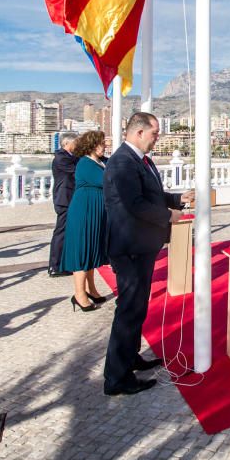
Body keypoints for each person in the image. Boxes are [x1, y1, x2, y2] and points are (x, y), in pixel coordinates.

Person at [103, 113, 194, 396]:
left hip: (141, 246)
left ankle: (131, 358)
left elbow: (152, 194)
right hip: (128, 247)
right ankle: (116, 378)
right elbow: (136, 204)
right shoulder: (122, 162)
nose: (157, 139)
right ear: (139, 132)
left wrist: (179, 199)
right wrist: (170, 216)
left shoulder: (141, 160)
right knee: (129, 309)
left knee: (138, 306)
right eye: (154, 134)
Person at [61, 131, 109, 312]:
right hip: (85, 210)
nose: (104, 146)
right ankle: (79, 294)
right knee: (83, 250)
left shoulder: (102, 161)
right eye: (101, 143)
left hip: (96, 210)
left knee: (91, 250)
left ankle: (91, 289)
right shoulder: (85, 163)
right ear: (91, 145)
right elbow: (106, 181)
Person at [48, 131, 79, 277]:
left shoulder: (71, 157)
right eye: (76, 142)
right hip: (64, 199)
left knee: (67, 232)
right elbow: (77, 171)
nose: (78, 145)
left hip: (70, 198)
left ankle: (63, 263)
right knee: (61, 232)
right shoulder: (61, 158)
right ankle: (55, 266)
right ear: (67, 143)